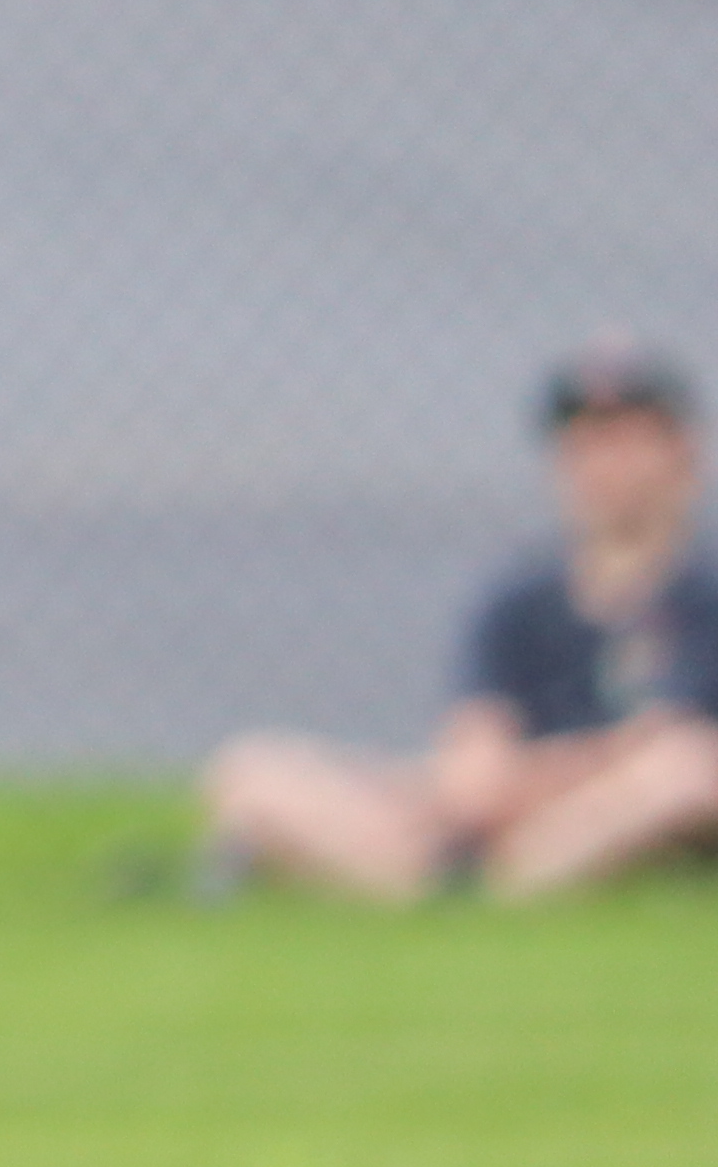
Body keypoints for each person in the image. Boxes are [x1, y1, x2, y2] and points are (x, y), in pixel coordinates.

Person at [197, 342, 718, 901]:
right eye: (586, 445)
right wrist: (488, 789)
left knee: (683, 773)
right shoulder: (518, 598)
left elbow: (671, 749)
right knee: (252, 771)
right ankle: (469, 883)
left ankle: (476, 889)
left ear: (681, 453)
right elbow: (474, 756)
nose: (605, 467)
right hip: (500, 819)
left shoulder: (700, 595)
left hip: (620, 809)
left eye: (626, 442)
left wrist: (530, 785)